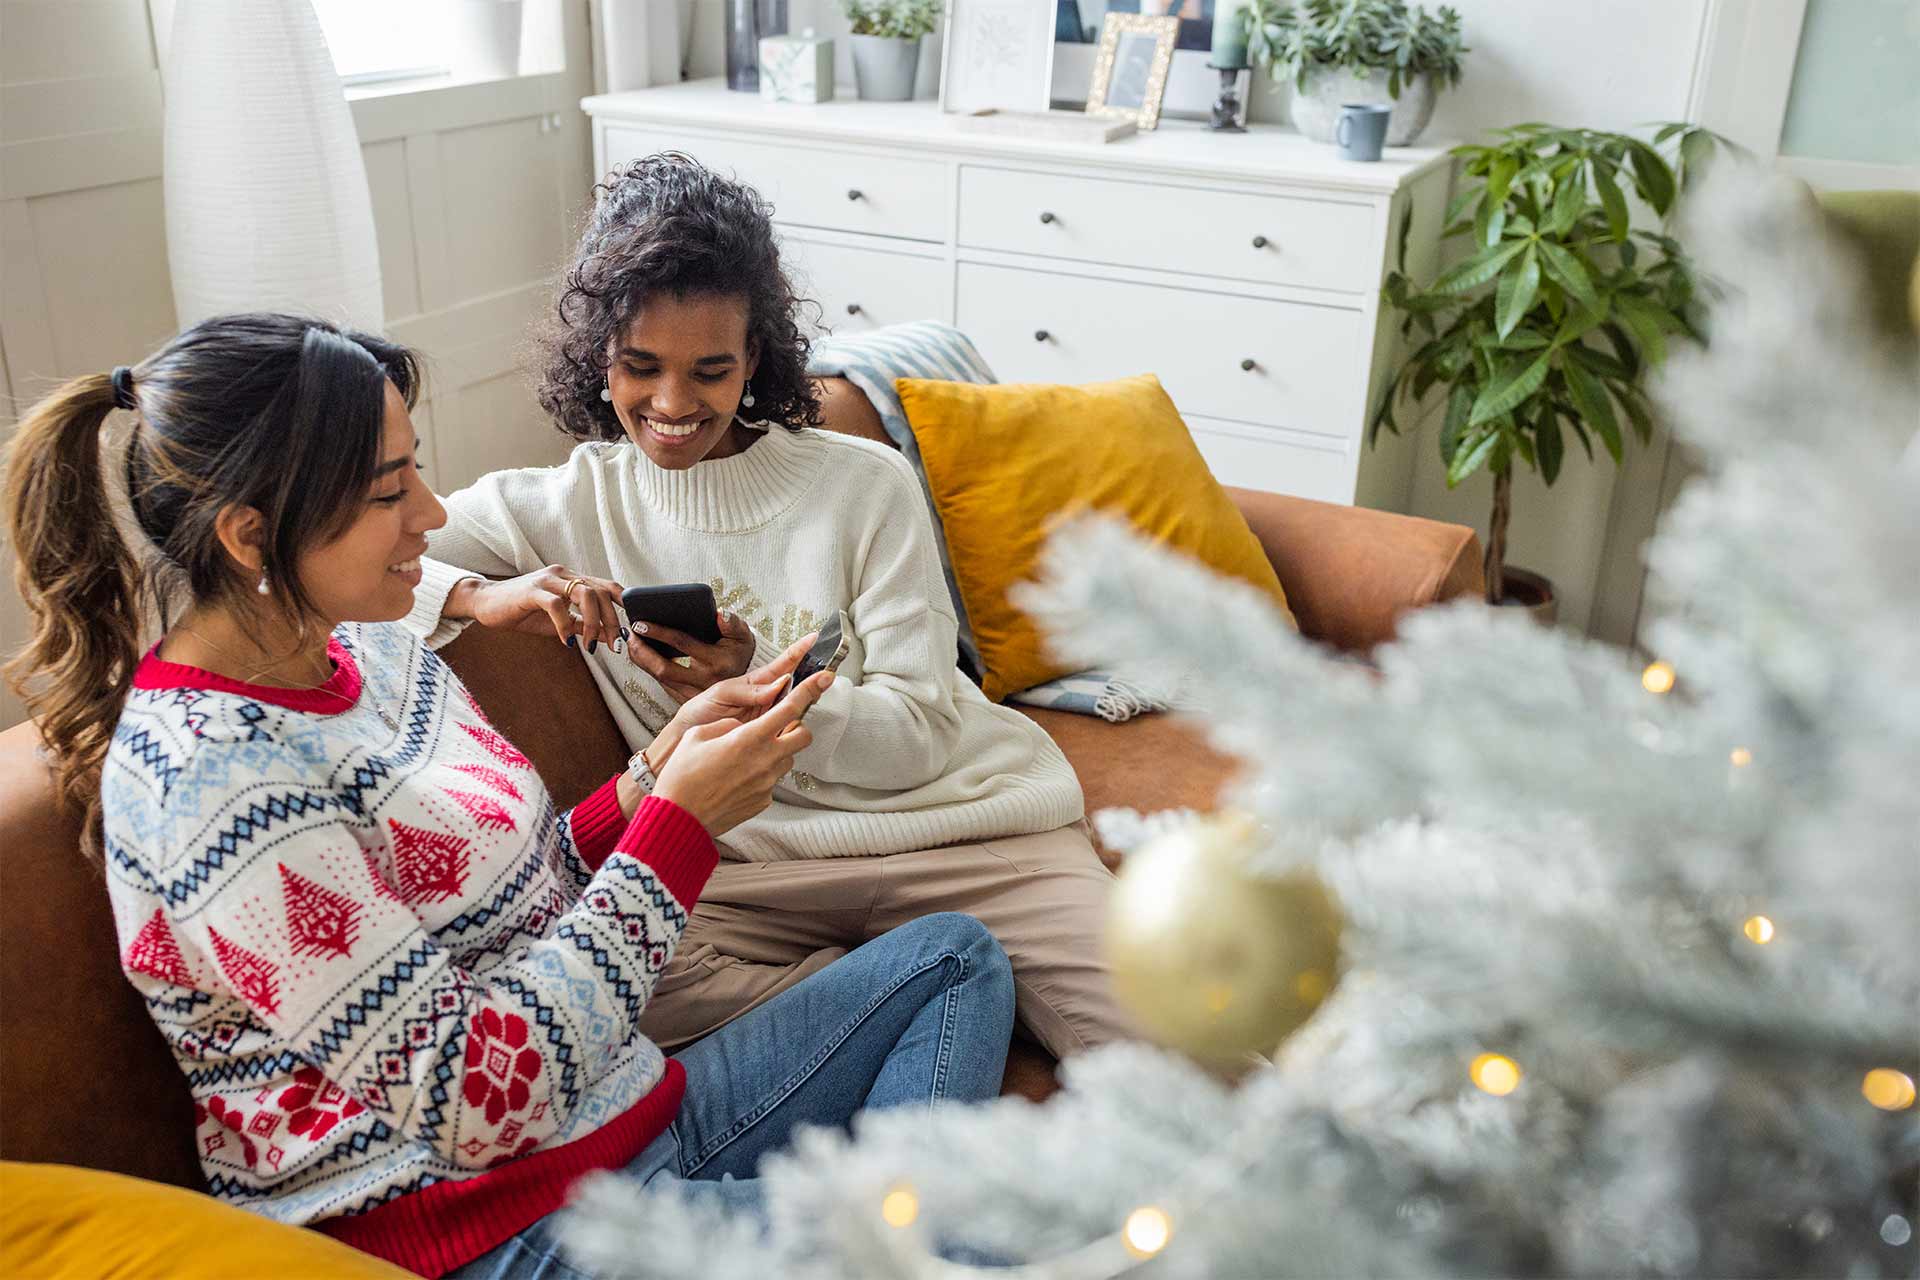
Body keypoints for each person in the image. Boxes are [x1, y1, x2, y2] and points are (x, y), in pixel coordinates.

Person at [2, 313, 1016, 1279]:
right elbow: (479, 1096)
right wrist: (682, 829)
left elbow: (520, 899)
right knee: (1003, 1219)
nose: (434, 516)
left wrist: (655, 779)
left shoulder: (373, 649)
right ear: (248, 534)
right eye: (390, 489)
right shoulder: (211, 783)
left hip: (627, 1116)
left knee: (954, 961)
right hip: (496, 1229)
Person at [410, 153, 1137, 1063]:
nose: (672, 404)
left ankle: (929, 981)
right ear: (600, 354)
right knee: (602, 1013)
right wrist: (487, 591)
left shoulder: (864, 487)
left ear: (755, 356)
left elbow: (917, 733)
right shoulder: (560, 506)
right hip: (749, 879)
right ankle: (920, 986)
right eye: (642, 367)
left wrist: (759, 683)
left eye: (710, 371)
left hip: (959, 833)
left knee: (1177, 1048)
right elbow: (366, 567)